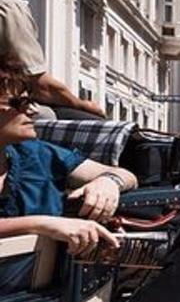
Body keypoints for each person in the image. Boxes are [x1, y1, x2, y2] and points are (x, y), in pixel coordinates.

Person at [0, 62, 137, 289]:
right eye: (20, 103)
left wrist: (108, 182)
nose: (33, 111)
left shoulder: (39, 153)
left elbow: (124, 174)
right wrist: (42, 224)